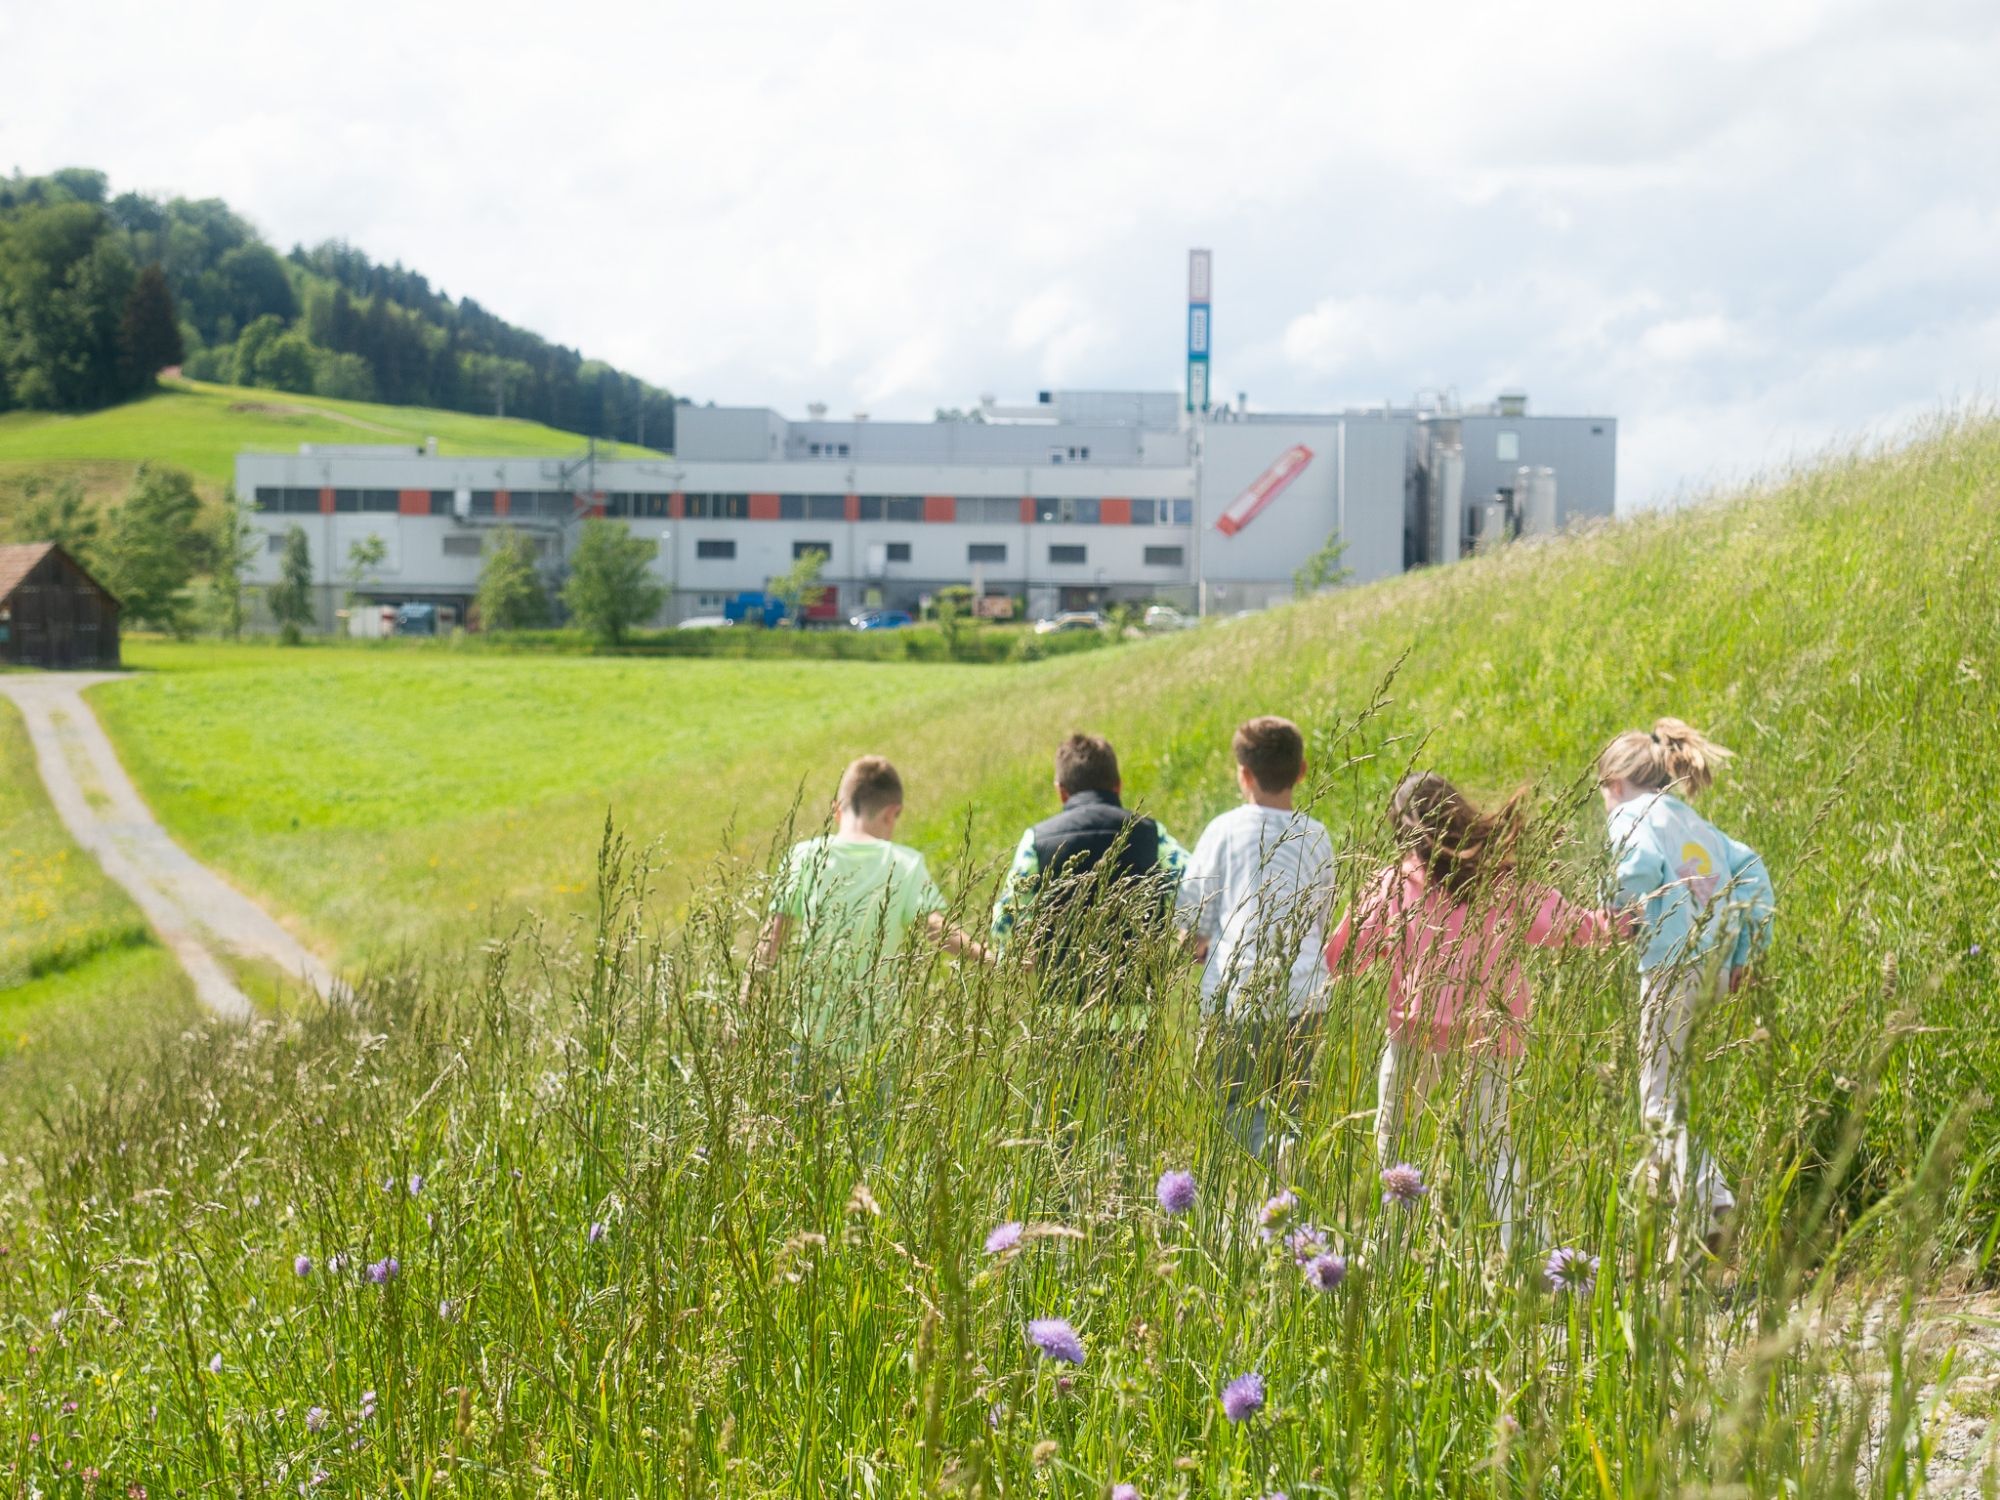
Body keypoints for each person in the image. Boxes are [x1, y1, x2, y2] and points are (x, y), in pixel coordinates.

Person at [1326, 772, 1625, 1250]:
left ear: (1399, 830)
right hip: (1493, 1034)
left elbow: (1342, 958)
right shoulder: (1500, 880)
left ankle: (1389, 1254)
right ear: (1459, 811)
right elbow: (1568, 927)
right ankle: (1532, 1258)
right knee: (1493, 1147)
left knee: (1395, 1143)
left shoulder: (1392, 885)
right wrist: (1613, 924)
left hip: (1413, 1034)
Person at [1598, 718, 1774, 1249]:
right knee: (1672, 1088)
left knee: (1659, 1101)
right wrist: (1748, 951)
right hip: (1717, 965)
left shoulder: (1630, 813)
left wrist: (1619, 916)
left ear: (1615, 783)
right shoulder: (1691, 819)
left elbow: (1635, 870)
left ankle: (1708, 1206)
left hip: (1671, 962)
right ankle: (1694, 1202)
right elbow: (1753, 871)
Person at [1176, 717, 1336, 1156]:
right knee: (1294, 1104)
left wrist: (1196, 945)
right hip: (1305, 993)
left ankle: (1259, 1178)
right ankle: (1288, 1185)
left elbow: (1195, 910)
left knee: (1235, 1101)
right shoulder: (1317, 835)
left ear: (1244, 775)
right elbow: (1321, 914)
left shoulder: (1224, 830)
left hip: (1237, 993)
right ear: (1302, 771)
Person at [755, 754, 984, 1050]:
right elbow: (937, 931)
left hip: (810, 1037)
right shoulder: (903, 863)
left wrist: (743, 1007)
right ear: (892, 813)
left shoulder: (803, 856)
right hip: (873, 1043)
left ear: (837, 811)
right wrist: (994, 959)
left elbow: (770, 941)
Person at [990, 732, 1188, 995]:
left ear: (1061, 792)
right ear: (1118, 785)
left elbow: (1005, 920)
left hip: (1063, 1009)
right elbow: (1194, 884)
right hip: (1137, 1004)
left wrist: (1014, 955)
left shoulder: (1037, 840)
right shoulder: (1151, 832)